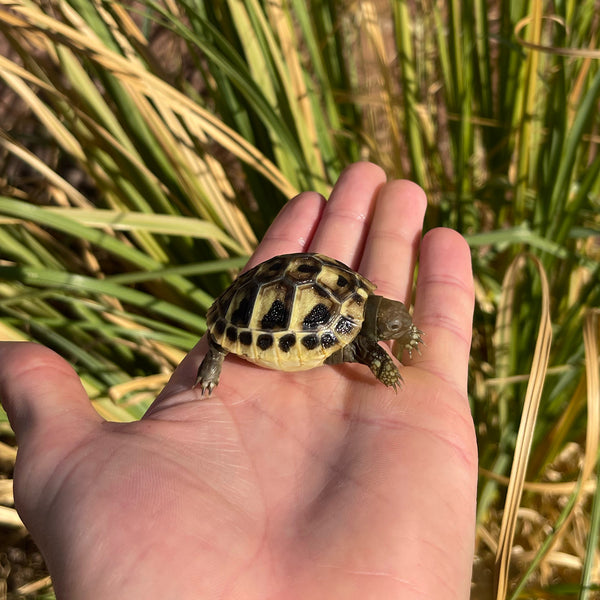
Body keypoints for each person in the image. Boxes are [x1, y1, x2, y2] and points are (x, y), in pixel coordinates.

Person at [0, 162, 477, 599]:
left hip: (303, 295)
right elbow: (368, 349)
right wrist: (387, 366)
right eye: (392, 328)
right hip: (259, 312)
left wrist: (403, 335)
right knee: (228, 344)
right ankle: (217, 356)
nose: (397, 331)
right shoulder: (359, 333)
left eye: (396, 325)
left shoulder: (365, 303)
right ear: (374, 322)